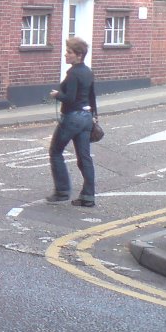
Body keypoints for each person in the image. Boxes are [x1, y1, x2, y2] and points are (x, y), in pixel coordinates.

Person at [46, 36, 98, 207]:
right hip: (86, 118)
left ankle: (62, 192)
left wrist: (56, 95)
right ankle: (88, 196)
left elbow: (69, 98)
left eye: (69, 52)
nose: (65, 55)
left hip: (72, 118)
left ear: (78, 55)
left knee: (55, 151)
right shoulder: (88, 72)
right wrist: (95, 116)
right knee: (84, 157)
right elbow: (92, 97)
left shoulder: (73, 73)